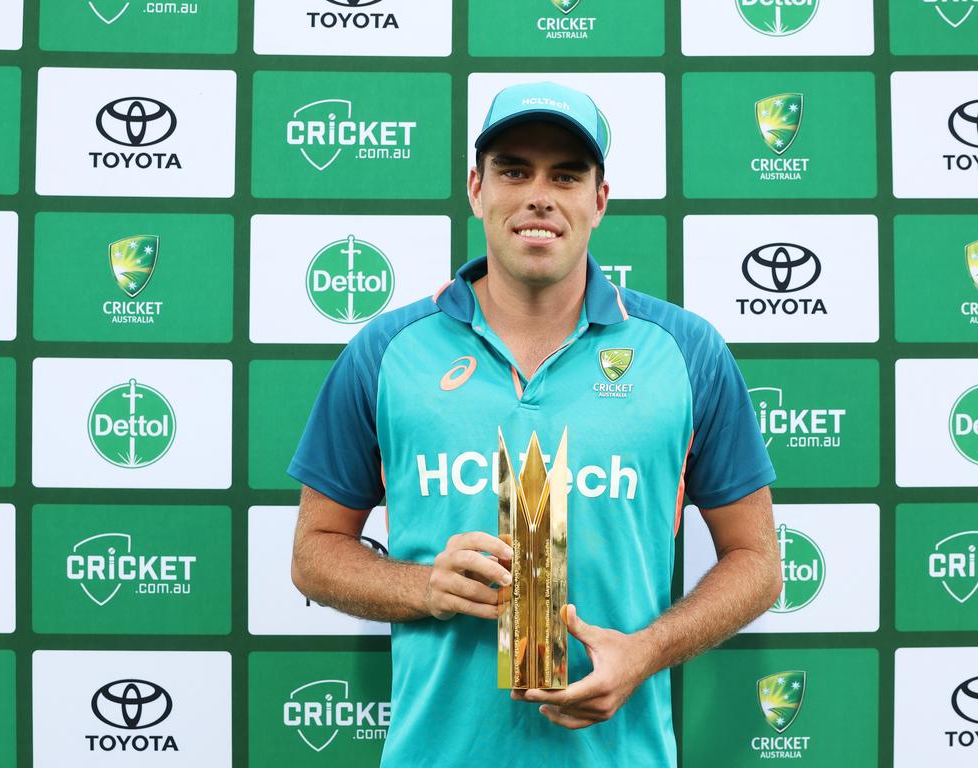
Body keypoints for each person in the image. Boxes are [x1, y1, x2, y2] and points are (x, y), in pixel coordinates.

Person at [288, 81, 781, 767]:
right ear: (476, 188)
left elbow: (758, 563)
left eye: (567, 175)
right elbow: (314, 553)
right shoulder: (388, 350)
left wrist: (647, 653)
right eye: (514, 170)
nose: (538, 196)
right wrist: (424, 587)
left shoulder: (685, 350)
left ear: (599, 199)